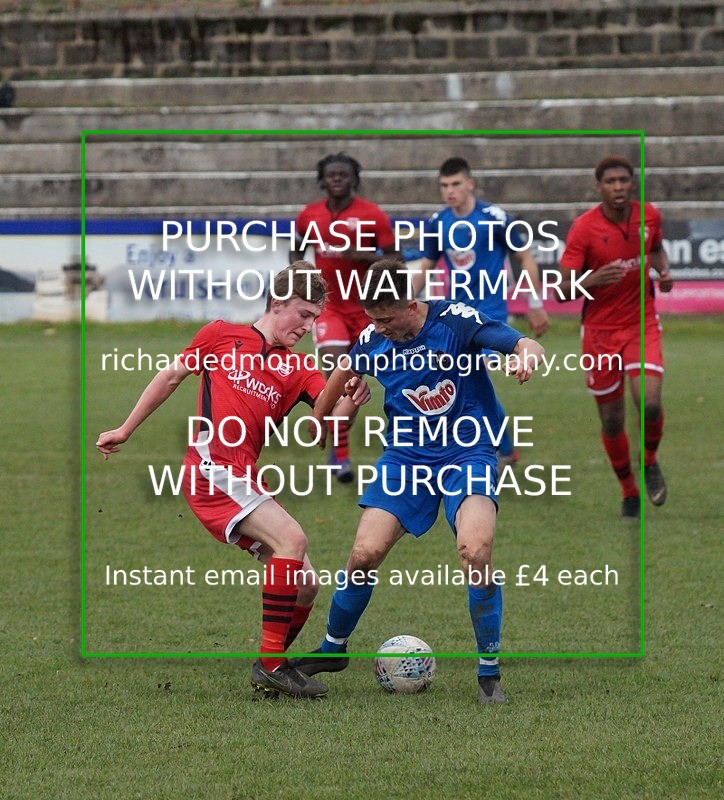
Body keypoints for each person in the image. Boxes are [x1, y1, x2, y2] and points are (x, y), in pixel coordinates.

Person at [96, 262, 370, 699]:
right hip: (211, 469)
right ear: (277, 302)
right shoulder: (221, 335)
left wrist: (352, 400)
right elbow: (170, 376)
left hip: (244, 476)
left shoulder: (299, 370)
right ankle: (272, 664)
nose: (309, 326)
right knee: (293, 541)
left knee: (306, 583)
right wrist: (125, 429)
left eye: (315, 319)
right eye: (303, 314)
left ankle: (272, 666)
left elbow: (330, 421)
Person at [291, 259, 545, 704]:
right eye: (373, 320)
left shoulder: (454, 321)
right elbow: (342, 374)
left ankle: (489, 672)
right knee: (364, 553)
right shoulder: (373, 339)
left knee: (476, 550)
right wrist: (319, 419)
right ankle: (333, 647)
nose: (379, 328)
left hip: (468, 452)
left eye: (387, 319)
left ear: (411, 304)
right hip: (405, 458)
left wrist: (526, 352)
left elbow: (514, 340)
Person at [411, 156, 549, 471]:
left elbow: (525, 259)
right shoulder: (438, 222)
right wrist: (404, 298)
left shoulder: (494, 217)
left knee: (470, 378)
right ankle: (502, 449)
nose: (450, 190)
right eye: (444, 185)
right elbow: (427, 266)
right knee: (465, 380)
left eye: (456, 184)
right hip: (454, 315)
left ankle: (498, 450)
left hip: (488, 314)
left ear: (470, 183)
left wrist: (535, 303)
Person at [557, 155, 673, 520]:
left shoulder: (649, 216)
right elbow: (561, 291)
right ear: (599, 187)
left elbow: (655, 248)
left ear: (632, 183)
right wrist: (589, 281)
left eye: (624, 180)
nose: (618, 187)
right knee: (611, 420)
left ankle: (650, 460)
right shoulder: (583, 229)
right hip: (599, 334)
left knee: (650, 402)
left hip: (642, 325)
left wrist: (663, 271)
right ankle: (629, 492)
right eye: (611, 181)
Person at [290, 152, 398, 483]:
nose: (337, 179)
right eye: (332, 175)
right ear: (323, 180)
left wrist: (366, 256)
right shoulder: (309, 216)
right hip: (330, 308)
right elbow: (296, 251)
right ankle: (341, 457)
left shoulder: (372, 215)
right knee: (341, 376)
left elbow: (396, 259)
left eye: (344, 175)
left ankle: (352, 446)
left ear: (354, 179)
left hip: (368, 311)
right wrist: (300, 279)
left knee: (361, 382)